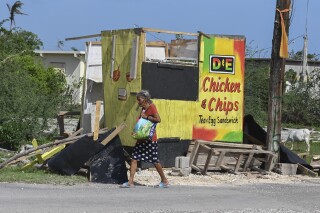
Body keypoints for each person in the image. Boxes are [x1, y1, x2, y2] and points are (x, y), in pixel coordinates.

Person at [121, 90, 169, 188]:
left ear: (145, 99)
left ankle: (164, 180)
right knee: (134, 158)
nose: (138, 102)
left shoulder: (152, 107)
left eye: (139, 99)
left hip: (150, 139)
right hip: (141, 138)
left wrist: (147, 117)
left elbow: (158, 119)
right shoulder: (143, 108)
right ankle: (130, 182)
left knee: (155, 160)